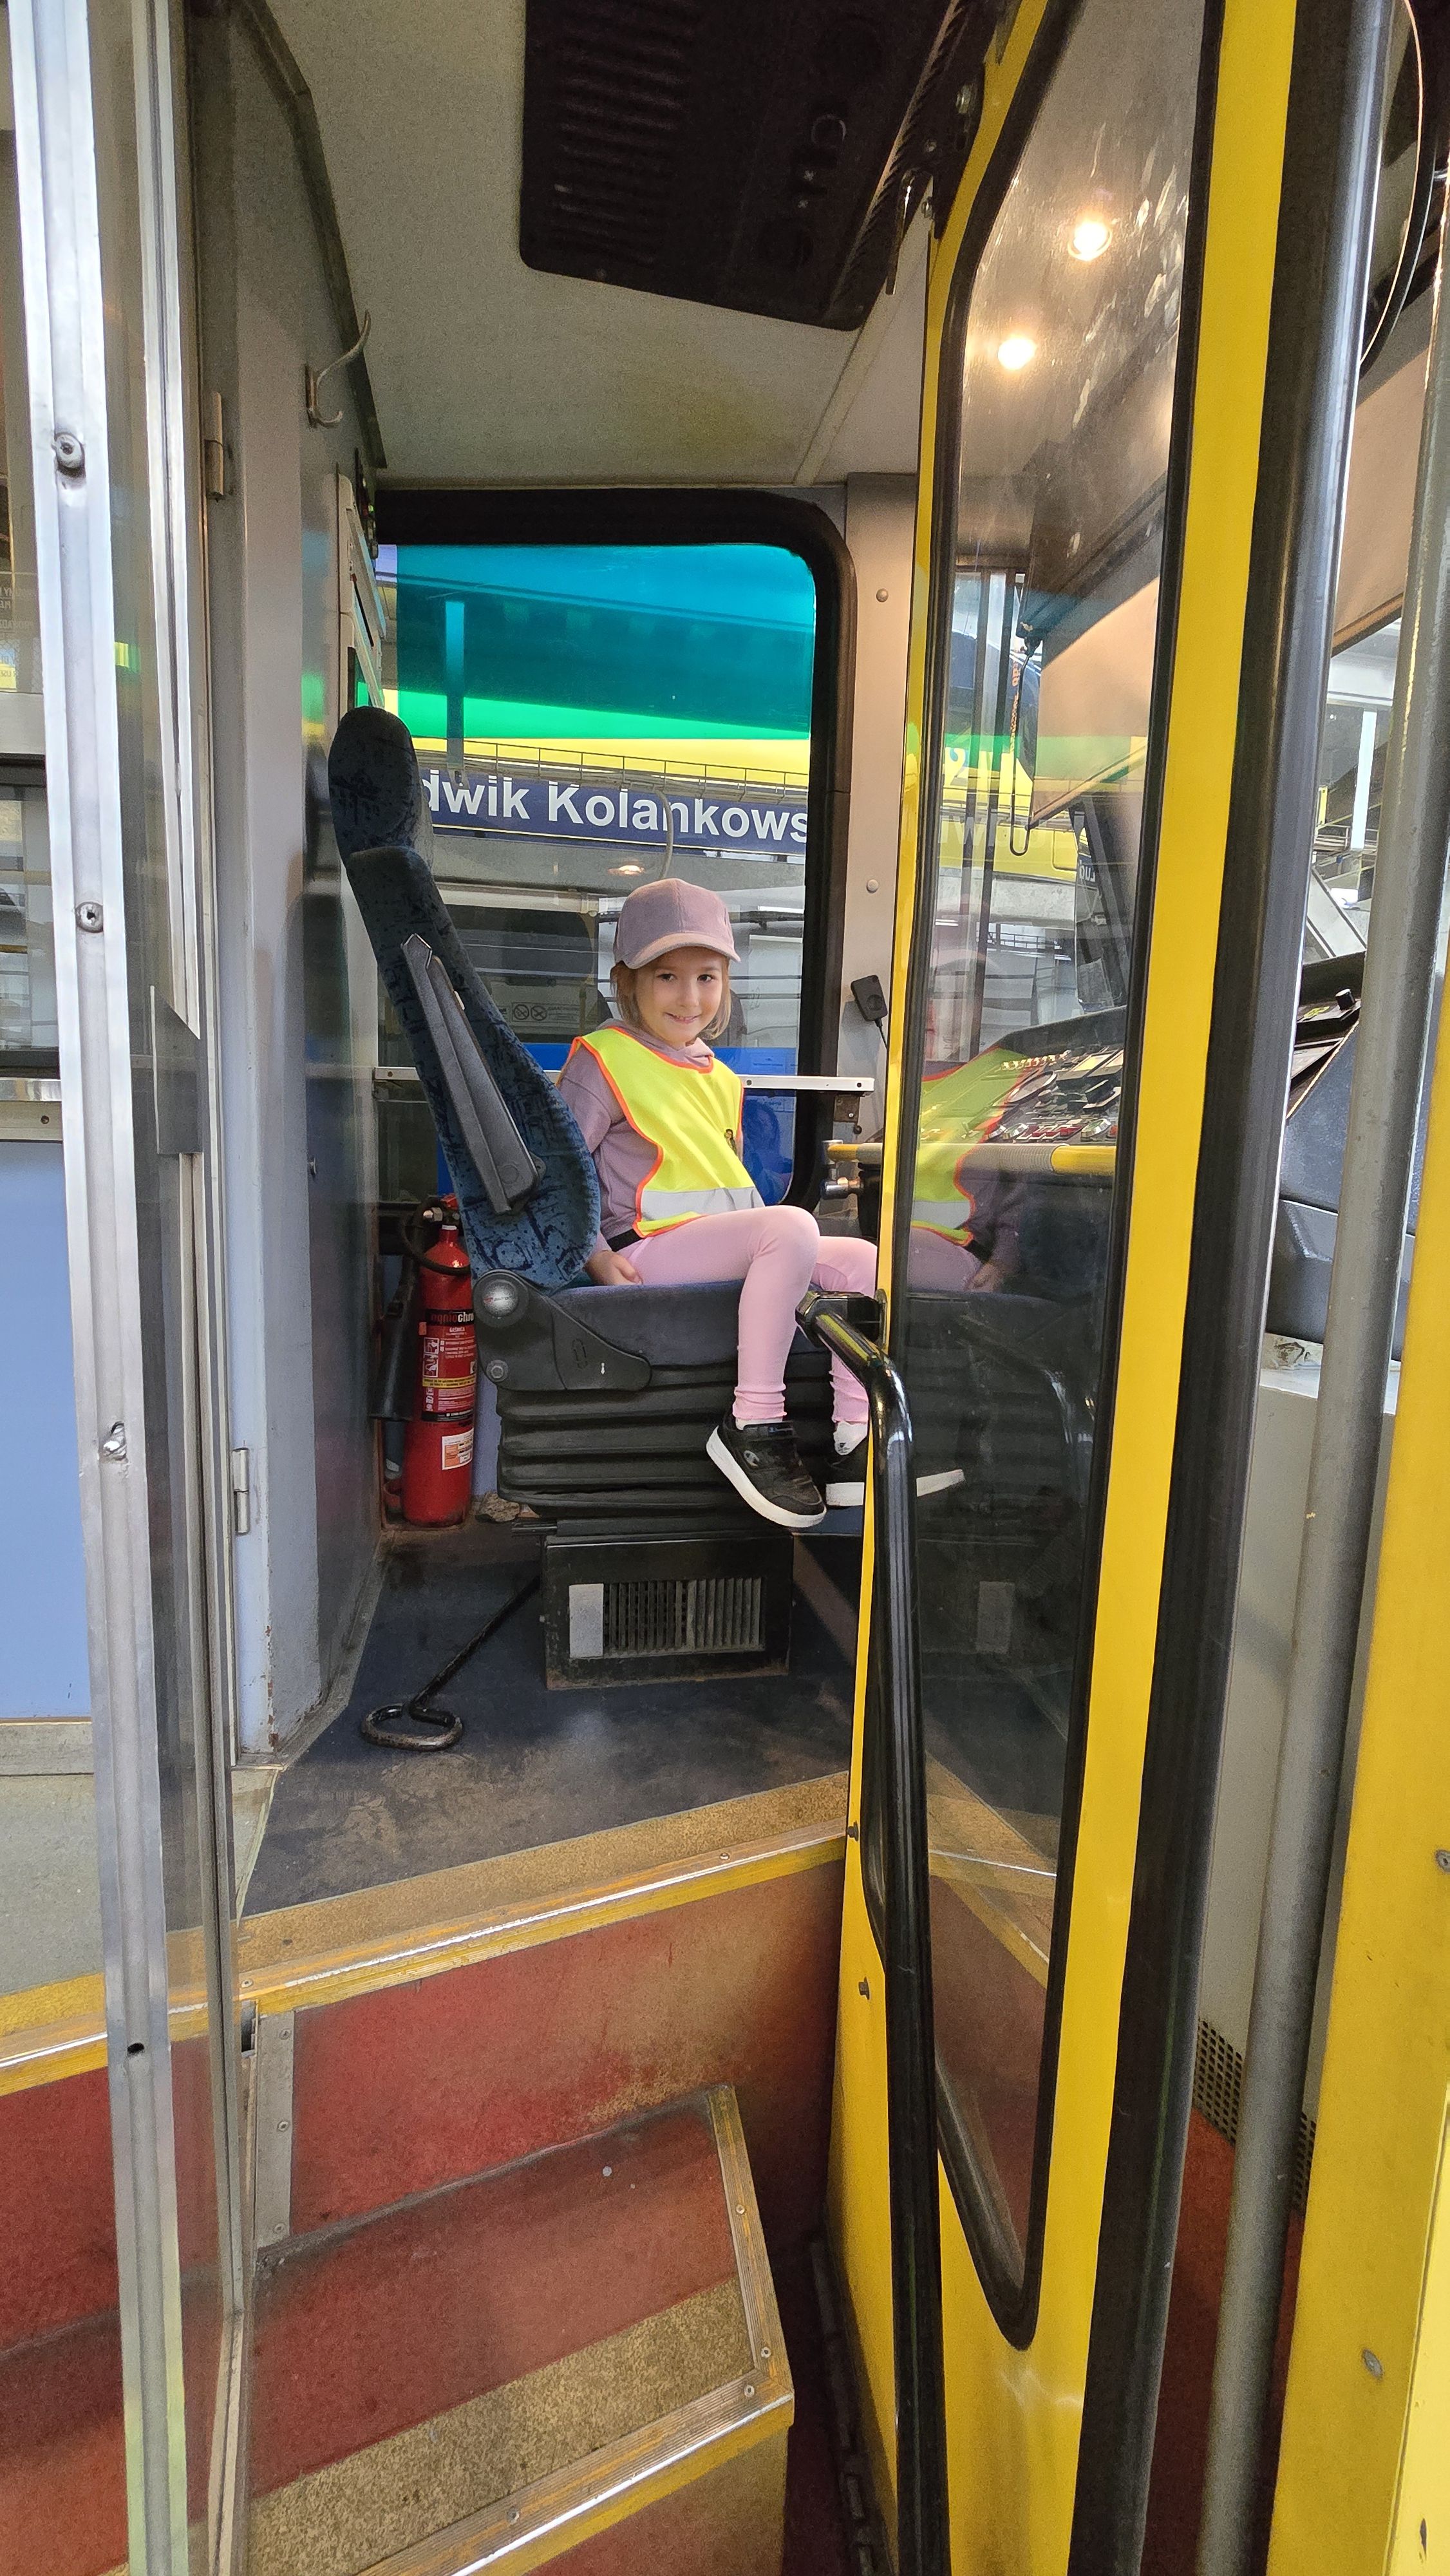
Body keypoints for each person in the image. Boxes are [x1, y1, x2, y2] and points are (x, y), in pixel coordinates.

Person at [559, 876, 891, 1530]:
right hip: (644, 1249)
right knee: (790, 1226)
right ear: (627, 981)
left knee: (864, 1260)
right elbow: (562, 1174)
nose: (690, 998)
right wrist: (593, 1253)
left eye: (706, 977)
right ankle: (754, 1424)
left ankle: (854, 1440)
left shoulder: (718, 1075)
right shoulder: (602, 1059)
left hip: (710, 1245)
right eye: (667, 977)